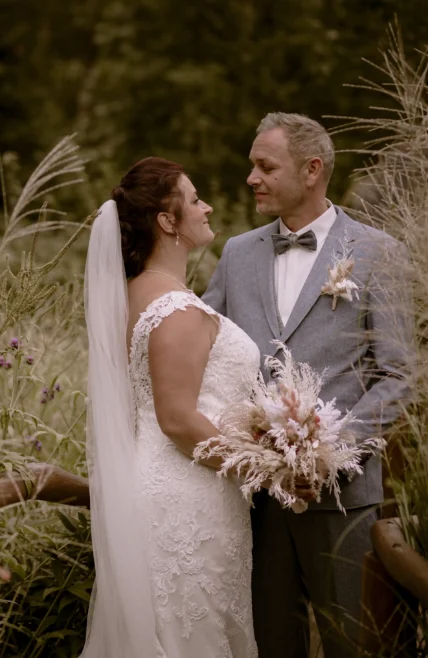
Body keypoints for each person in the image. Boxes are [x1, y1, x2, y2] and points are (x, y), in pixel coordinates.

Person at [202, 113, 414, 658]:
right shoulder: (237, 253)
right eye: (253, 165)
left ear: (313, 169)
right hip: (253, 503)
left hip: (343, 498)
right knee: (270, 643)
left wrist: (327, 453)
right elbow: (202, 349)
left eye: (265, 166)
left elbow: (399, 374)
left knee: (356, 644)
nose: (251, 178)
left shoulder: (378, 253)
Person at [81, 156, 266, 658]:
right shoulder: (176, 310)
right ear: (168, 221)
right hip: (185, 501)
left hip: (173, 489)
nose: (206, 208)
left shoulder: (136, 295)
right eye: (195, 198)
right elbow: (179, 420)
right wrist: (266, 467)